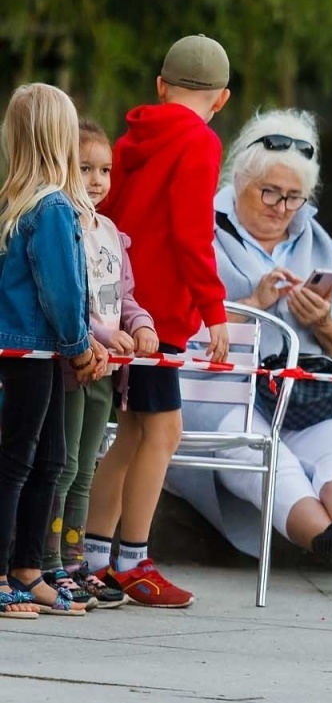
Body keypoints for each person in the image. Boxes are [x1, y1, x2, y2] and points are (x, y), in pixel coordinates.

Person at [166, 110, 332, 595]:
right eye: (270, 193)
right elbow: (172, 329)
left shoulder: (322, 246)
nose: (282, 208)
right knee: (272, 460)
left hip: (303, 396)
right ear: (240, 180)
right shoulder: (198, 234)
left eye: (294, 198)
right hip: (219, 394)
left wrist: (324, 323)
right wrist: (252, 305)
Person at [85, 35, 233, 609]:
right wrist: (214, 309)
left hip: (119, 307)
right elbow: (192, 232)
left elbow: (109, 215)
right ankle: (131, 559)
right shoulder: (200, 141)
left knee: (132, 433)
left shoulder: (126, 141)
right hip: (159, 315)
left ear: (160, 86)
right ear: (221, 99)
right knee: (161, 432)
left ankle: (94, 556)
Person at [0, 84, 110, 618]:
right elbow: (62, 291)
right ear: (59, 138)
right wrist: (79, 345)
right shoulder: (51, 209)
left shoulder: (17, 202)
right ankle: (3, 573)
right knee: (18, 461)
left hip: (34, 353)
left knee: (49, 458)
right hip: (32, 351)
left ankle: (27, 567)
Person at [40, 119, 156, 611]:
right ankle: (45, 558)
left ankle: (74, 560)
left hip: (108, 374)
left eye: (104, 169)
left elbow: (122, 297)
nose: (96, 180)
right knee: (62, 468)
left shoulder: (111, 233)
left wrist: (143, 325)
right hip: (74, 367)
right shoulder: (59, 225)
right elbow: (69, 301)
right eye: (84, 167)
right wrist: (105, 335)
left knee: (86, 468)